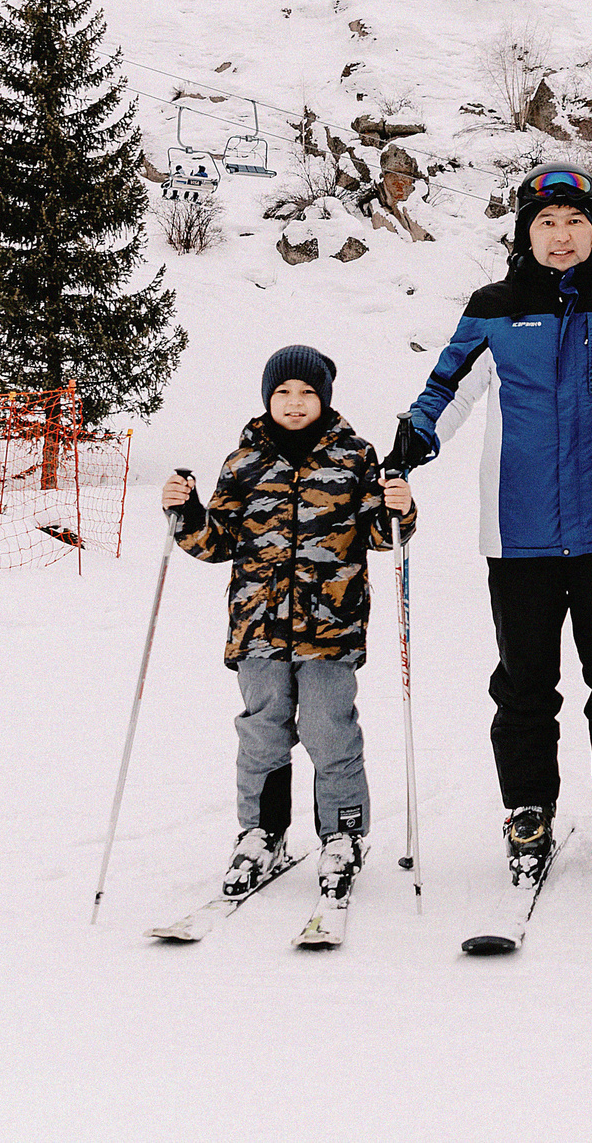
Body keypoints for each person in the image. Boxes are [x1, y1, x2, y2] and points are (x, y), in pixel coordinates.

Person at [393, 164, 592, 883]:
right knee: (525, 681)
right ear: (526, 233)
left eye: (576, 222)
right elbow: (448, 387)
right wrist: (414, 438)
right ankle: (528, 806)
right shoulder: (494, 306)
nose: (561, 235)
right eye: (547, 223)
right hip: (517, 528)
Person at [160, 344, 416, 903]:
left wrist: (398, 505)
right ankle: (262, 832)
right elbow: (216, 544)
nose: (295, 402)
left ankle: (342, 834)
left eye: (306, 392)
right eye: (283, 392)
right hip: (258, 627)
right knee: (262, 731)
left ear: (324, 398)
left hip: (331, 628)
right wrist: (187, 511)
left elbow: (381, 536)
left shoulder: (355, 457)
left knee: (329, 729)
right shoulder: (242, 463)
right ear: (267, 398)